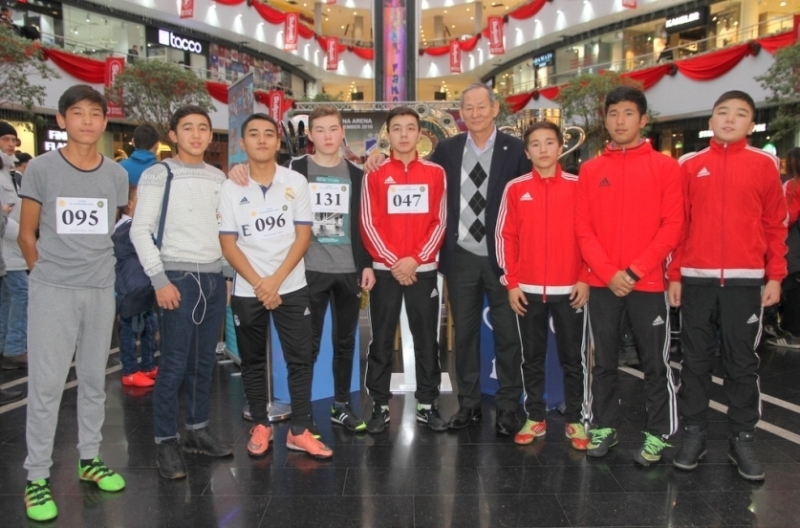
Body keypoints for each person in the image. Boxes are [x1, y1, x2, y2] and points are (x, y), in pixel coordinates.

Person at [365, 82, 531, 436]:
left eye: (481, 106)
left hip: (502, 256)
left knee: (507, 335)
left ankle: (508, 406)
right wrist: (376, 155)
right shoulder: (448, 150)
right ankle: (468, 404)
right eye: (468, 107)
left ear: (494, 108)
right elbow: (411, 173)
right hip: (461, 258)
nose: (475, 113)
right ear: (461, 113)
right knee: (465, 334)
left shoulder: (516, 149)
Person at [18, 84, 128, 522]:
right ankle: (36, 477)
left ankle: (89, 459)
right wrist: (43, 277)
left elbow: (106, 231)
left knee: (95, 381)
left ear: (105, 121)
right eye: (77, 113)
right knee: (46, 385)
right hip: (53, 290)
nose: (87, 121)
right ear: (62, 120)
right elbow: (27, 234)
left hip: (100, 290)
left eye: (95, 113)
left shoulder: (116, 175)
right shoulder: (41, 168)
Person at [668, 90, 788, 481]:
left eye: (740, 114)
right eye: (723, 112)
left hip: (745, 282)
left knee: (742, 363)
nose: (730, 119)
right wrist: (675, 275)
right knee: (695, 362)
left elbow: (775, 224)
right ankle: (694, 434)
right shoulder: (689, 164)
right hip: (696, 281)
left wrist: (775, 275)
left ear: (751, 124)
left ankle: (742, 438)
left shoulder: (764, 164)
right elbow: (679, 226)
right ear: (711, 121)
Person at [575, 86, 682, 465]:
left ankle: (659, 433)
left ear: (643, 119)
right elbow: (583, 228)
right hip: (603, 283)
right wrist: (608, 273)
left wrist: (635, 271)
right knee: (603, 361)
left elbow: (673, 226)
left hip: (648, 283)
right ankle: (604, 426)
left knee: (655, 363)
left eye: (628, 113)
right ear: (605, 120)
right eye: (613, 113)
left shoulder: (665, 167)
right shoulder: (591, 170)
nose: (620, 121)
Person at [219, 113, 332, 458]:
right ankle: (260, 424)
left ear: (277, 142)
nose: (262, 140)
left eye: (269, 134)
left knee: (300, 359)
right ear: (243, 143)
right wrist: (260, 284)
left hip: (292, 285)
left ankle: (299, 430)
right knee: (252, 361)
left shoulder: (295, 181)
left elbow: (303, 236)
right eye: (254, 134)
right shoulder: (230, 187)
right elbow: (228, 243)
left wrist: (276, 281)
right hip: (248, 289)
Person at [130, 106, 231, 480]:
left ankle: (197, 430)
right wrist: (160, 280)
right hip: (177, 278)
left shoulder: (218, 176)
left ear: (210, 135)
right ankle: (165, 441)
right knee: (173, 364)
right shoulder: (159, 173)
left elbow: (224, 229)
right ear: (172, 135)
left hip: (213, 279)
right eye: (187, 128)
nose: (196, 134)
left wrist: (226, 274)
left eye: (203, 128)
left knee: (203, 362)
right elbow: (140, 230)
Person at [495, 121, 590, 449]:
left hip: (571, 290)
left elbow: (591, 235)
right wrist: (512, 282)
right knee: (531, 358)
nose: (543, 149)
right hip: (528, 290)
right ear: (527, 152)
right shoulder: (515, 188)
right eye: (535, 144)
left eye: (549, 142)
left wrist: (585, 276)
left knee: (572, 359)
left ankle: (575, 419)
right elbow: (505, 236)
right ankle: (534, 417)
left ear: (561, 147)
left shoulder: (579, 186)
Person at [285, 106, 374, 431]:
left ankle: (341, 405)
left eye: (333, 129)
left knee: (345, 343)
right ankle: (303, 412)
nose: (327, 136)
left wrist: (367, 265)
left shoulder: (356, 174)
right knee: (307, 345)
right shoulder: (295, 169)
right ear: (310, 134)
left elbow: (364, 223)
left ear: (342, 133)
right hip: (308, 269)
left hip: (348, 270)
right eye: (320, 130)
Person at [360, 106, 447, 433]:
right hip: (386, 270)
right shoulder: (374, 173)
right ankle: (379, 405)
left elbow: (440, 221)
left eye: (410, 128)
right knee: (381, 338)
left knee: (426, 338)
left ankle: (427, 404)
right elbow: (368, 222)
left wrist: (416, 259)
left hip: (423, 269)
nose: (404, 134)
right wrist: (394, 261)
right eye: (397, 128)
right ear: (388, 134)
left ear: (420, 133)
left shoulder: (435, 173)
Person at [113, 185, 158, 387]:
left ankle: (147, 366)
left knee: (149, 325)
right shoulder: (127, 229)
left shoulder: (126, 228)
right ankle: (130, 370)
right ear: (129, 204)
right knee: (130, 330)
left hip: (140, 287)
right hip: (132, 289)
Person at [0, 121, 28, 371]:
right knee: (20, 294)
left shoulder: (10, 172)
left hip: (13, 250)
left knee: (8, 298)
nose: (11, 144)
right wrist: (24, 235)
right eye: (5, 139)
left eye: (13, 140)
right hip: (9, 249)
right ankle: (15, 348)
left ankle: (6, 345)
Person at [767, 146, 800, 348]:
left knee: (794, 289)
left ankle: (793, 332)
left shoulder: (792, 186)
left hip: (794, 248)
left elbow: (787, 216)